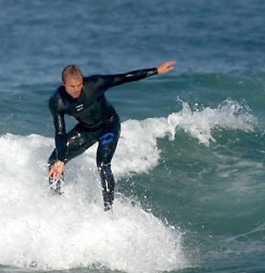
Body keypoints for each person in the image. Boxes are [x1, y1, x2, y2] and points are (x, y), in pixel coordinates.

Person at [47, 60, 176, 211]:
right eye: (72, 86)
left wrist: (156, 70)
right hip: (86, 129)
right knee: (54, 161)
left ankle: (109, 209)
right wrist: (61, 160)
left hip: (108, 125)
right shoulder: (57, 101)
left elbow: (124, 77)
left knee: (102, 164)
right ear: (64, 85)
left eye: (79, 85)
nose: (77, 90)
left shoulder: (94, 84)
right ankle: (57, 202)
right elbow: (60, 132)